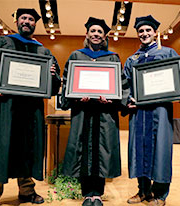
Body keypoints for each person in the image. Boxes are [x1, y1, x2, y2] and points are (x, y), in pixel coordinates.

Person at [0, 8, 61, 206]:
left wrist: (52, 74)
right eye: (23, 18)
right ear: (17, 21)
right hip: (4, 107)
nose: (27, 21)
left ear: (34, 24)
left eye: (30, 19)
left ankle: (27, 190)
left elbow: (53, 85)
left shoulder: (42, 50)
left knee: (28, 148)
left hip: (30, 110)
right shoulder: (1, 42)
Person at [124, 15, 180, 206]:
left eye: (148, 30)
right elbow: (124, 86)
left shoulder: (168, 53)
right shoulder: (132, 60)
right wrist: (127, 99)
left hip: (160, 112)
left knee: (161, 151)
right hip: (139, 114)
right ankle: (142, 191)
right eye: (141, 31)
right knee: (139, 150)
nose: (144, 33)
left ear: (155, 32)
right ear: (137, 34)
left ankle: (159, 195)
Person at [61, 17, 129, 206]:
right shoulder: (76, 56)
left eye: (100, 32)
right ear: (87, 34)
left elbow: (121, 85)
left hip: (104, 113)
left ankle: (97, 194)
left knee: (102, 150)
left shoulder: (112, 58)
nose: (96, 34)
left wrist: (113, 98)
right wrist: (74, 96)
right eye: (93, 31)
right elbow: (66, 82)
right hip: (82, 112)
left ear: (104, 36)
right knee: (83, 149)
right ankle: (86, 194)